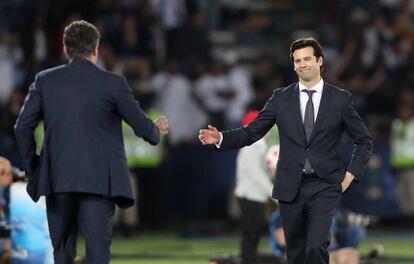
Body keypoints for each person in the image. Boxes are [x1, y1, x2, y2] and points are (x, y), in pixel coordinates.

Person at [199, 37, 373, 264]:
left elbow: (364, 141)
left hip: (325, 185)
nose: (302, 64)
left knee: (317, 245)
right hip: (290, 185)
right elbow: (252, 132)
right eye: (297, 60)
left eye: (307, 58)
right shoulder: (280, 98)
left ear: (320, 61)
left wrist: (350, 176)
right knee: (296, 252)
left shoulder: (340, 99)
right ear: (293, 65)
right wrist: (221, 137)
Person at [14, 20, 168, 264]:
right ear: (95, 50)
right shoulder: (113, 83)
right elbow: (141, 126)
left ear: (66, 49)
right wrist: (155, 131)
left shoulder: (45, 80)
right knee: (97, 252)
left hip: (57, 179)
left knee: (62, 252)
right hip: (99, 182)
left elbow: (22, 128)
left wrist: (34, 167)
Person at [234, 110, 275, 264]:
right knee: (251, 232)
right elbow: (257, 175)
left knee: (253, 232)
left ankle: (249, 259)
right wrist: (274, 193)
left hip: (255, 194)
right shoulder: (251, 146)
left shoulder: (260, 146)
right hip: (250, 195)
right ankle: (248, 259)